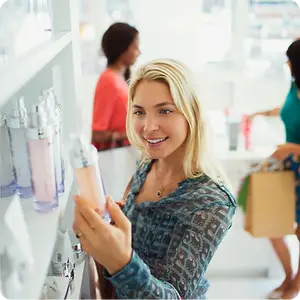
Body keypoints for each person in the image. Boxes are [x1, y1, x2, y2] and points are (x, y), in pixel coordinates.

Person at [73, 59, 236, 300]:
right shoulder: (147, 164)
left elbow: (174, 295)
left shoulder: (212, 202)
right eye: (139, 112)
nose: (148, 127)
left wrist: (121, 262)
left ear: (191, 114)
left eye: (165, 110)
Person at [248, 39, 300, 300]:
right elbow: (288, 111)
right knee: (273, 224)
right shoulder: (294, 86)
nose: (287, 64)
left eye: (289, 59)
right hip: (289, 166)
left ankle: (294, 285)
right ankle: (290, 277)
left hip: (294, 160)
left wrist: (291, 148)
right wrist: (261, 113)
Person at [91, 22, 140, 151]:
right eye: (135, 47)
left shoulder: (120, 79)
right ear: (122, 49)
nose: (139, 52)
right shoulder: (108, 80)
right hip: (115, 158)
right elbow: (97, 134)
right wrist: (131, 135)